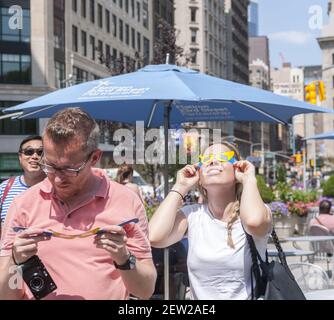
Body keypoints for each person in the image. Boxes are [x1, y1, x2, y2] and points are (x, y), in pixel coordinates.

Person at [0, 108, 156, 300]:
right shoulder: (23, 204)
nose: (56, 179)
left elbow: (145, 290)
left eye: (68, 169)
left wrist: (124, 259)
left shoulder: (126, 202)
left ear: (95, 158)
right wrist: (15, 263)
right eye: (49, 165)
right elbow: (6, 295)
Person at [149, 141, 272, 300]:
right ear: (199, 177)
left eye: (223, 157)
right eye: (205, 159)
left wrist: (248, 180)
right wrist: (180, 187)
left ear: (237, 170)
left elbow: (254, 223)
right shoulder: (192, 215)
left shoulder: (255, 211)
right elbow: (154, 237)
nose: (213, 161)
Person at [0, 135, 45, 238]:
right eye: (29, 152)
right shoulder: (4, 188)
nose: (34, 156)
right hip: (9, 252)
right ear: (20, 157)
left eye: (40, 152)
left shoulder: (57, 188)